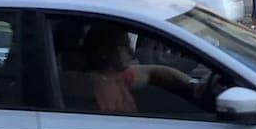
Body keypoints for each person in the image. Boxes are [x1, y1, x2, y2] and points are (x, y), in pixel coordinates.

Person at [64, 23, 196, 115]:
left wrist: (195, 86)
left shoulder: (123, 76)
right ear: (104, 52)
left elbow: (156, 71)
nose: (131, 51)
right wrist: (97, 82)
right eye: (124, 46)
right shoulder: (85, 84)